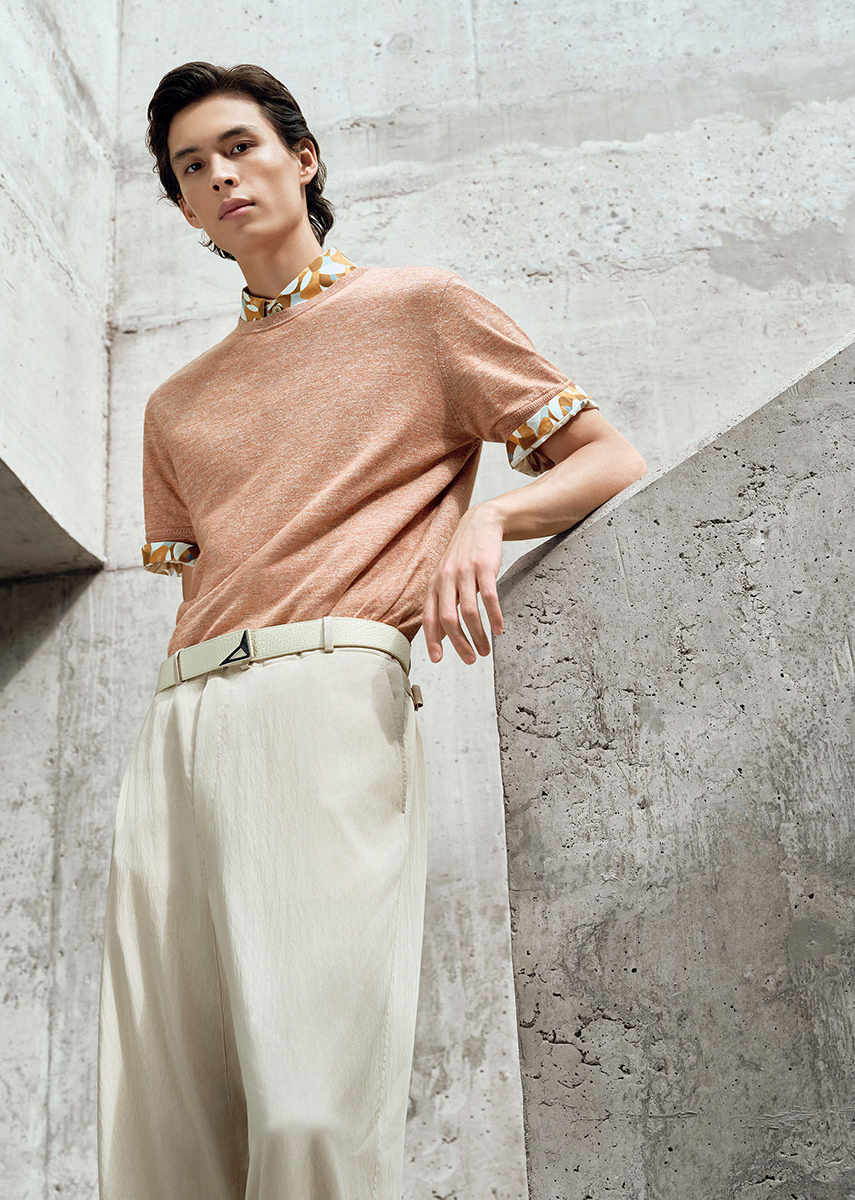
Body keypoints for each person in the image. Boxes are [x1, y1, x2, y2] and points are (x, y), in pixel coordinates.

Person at [96, 60, 647, 1200]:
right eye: (191, 168)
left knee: (309, 1106)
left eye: (239, 146)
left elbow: (607, 456)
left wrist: (490, 518)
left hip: (329, 700)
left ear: (302, 160)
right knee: (164, 1125)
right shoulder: (173, 406)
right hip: (182, 723)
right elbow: (205, 587)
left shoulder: (420, 311)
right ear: (185, 209)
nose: (219, 175)